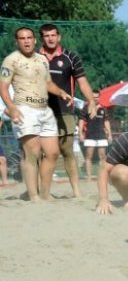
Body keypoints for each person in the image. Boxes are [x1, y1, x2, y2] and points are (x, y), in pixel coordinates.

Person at [0, 26, 74, 201]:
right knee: (32, 152)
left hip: (44, 110)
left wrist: (61, 92)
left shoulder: (42, 59)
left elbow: (48, 83)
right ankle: (34, 195)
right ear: (16, 41)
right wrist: (11, 107)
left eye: (29, 38)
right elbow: (3, 87)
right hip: (24, 109)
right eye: (22, 38)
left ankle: (45, 194)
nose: (26, 41)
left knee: (53, 153)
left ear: (34, 40)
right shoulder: (11, 60)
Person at [39, 24, 98, 197]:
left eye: (53, 35)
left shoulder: (70, 57)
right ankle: (43, 193)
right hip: (39, 111)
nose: (50, 38)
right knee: (42, 153)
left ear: (59, 37)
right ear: (42, 38)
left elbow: (82, 82)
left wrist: (91, 102)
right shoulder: (35, 57)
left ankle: (77, 193)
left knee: (67, 151)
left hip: (64, 111)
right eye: (46, 35)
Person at [78, 100, 112, 181]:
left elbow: (106, 121)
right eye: (93, 97)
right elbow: (81, 120)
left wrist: (110, 134)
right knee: (88, 156)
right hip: (90, 135)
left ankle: (103, 176)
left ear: (99, 97)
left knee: (103, 157)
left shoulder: (103, 108)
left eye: (97, 97)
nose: (95, 99)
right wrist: (80, 133)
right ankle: (89, 176)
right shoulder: (86, 107)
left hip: (101, 135)